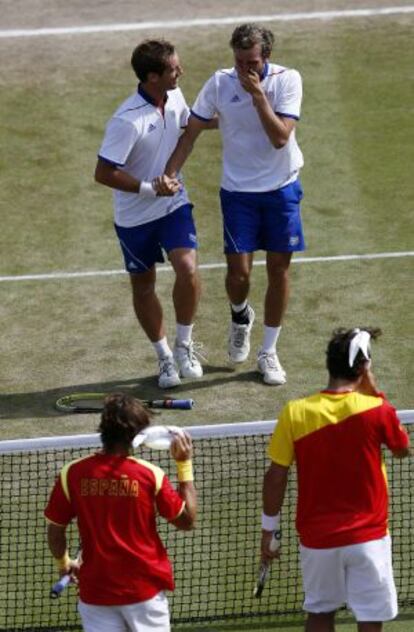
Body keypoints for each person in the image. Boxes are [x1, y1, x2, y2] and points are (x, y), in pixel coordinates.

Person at [165, 23, 305, 386]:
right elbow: (191, 132)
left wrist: (258, 96)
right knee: (239, 274)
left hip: (281, 189)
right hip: (238, 193)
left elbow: (279, 138)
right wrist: (170, 172)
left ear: (267, 57)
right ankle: (241, 315)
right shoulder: (219, 82)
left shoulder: (288, 81)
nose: (245, 69)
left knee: (278, 271)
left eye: (252, 62)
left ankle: (268, 352)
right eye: (240, 61)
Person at [260, 327, 410, 632]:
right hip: (368, 539)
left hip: (318, 541)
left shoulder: (295, 412)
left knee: (320, 613)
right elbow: (402, 449)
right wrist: (374, 389)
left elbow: (276, 476)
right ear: (363, 366)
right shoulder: (377, 410)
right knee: (369, 616)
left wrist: (269, 529)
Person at [95, 39, 205, 389]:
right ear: (152, 77)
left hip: (173, 204)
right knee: (144, 288)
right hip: (134, 216)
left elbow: (190, 127)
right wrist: (148, 188)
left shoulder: (175, 95)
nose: (181, 72)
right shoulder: (126, 121)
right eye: (174, 68)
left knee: (187, 268)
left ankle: (184, 345)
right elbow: (103, 172)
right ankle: (164, 358)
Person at [45, 392, 196, 632]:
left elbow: (55, 530)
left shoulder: (71, 474)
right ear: (136, 435)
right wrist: (184, 463)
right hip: (144, 594)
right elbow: (187, 520)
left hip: (95, 594)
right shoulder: (150, 475)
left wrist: (64, 564)